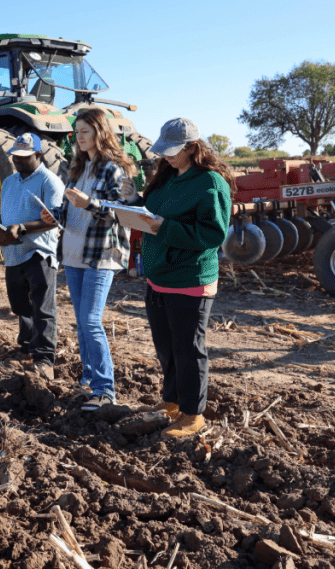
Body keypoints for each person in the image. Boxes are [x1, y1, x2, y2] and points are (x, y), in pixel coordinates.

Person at [123, 118, 233, 438]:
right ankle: (171, 403)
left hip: (189, 279)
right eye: (165, 151)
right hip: (158, 278)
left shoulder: (210, 183)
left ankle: (192, 414)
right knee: (166, 347)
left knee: (188, 349)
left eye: (174, 151)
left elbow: (211, 235)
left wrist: (161, 228)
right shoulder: (167, 177)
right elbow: (151, 212)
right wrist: (132, 202)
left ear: (192, 148)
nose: (167, 157)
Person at [41, 109, 135, 411]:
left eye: (84, 131)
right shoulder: (78, 168)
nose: (79, 137)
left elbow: (123, 211)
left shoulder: (113, 169)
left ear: (100, 132)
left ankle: (105, 390)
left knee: (92, 320)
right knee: (81, 323)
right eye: (77, 132)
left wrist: (90, 202)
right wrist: (54, 215)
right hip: (73, 251)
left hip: (100, 253)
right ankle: (89, 381)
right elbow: (73, 211)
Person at [0, 132, 65, 379]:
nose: (18, 160)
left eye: (24, 157)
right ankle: (26, 346)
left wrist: (21, 229)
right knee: (20, 305)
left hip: (38, 252)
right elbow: (6, 216)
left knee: (42, 307)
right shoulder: (9, 182)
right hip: (12, 252)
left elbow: (53, 219)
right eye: (15, 156)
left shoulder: (49, 181)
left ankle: (44, 358)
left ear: (38, 155)